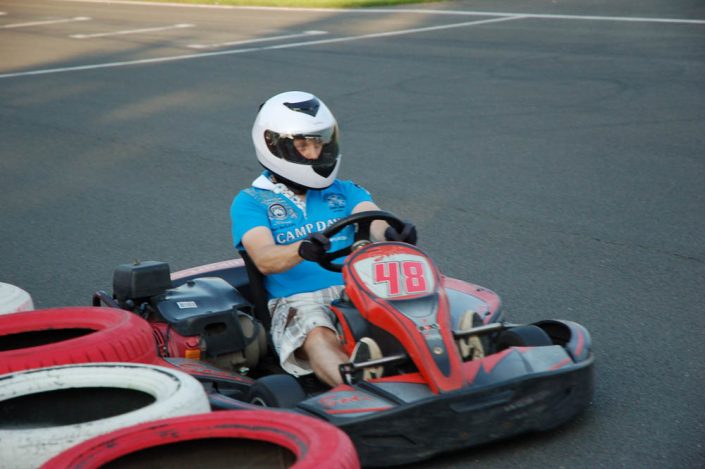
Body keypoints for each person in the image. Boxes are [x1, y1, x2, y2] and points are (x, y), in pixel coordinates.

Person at [230, 91, 416, 387]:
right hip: (298, 300)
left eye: (318, 144)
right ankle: (360, 385)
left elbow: (372, 217)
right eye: (303, 145)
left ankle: (447, 347)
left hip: (360, 289)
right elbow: (264, 258)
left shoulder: (345, 190)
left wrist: (393, 233)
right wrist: (303, 249)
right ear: (275, 147)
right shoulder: (251, 202)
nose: (314, 154)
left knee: (414, 302)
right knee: (318, 335)